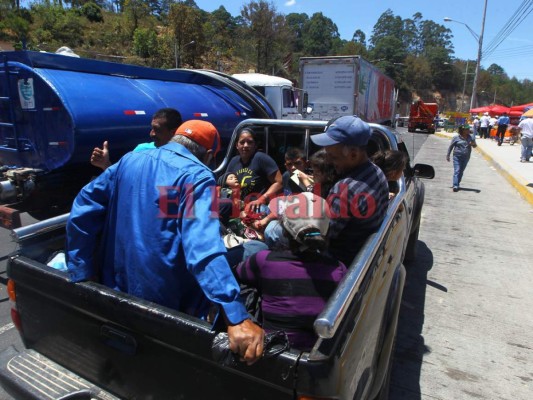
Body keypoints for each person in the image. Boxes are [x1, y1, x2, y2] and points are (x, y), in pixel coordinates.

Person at [67, 119, 264, 365]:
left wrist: (82, 270)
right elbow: (201, 245)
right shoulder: (197, 175)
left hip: (115, 285)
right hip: (167, 302)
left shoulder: (129, 160)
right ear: (211, 155)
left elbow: (83, 208)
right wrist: (235, 316)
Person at [233, 192, 347, 350]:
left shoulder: (264, 261)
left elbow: (236, 274)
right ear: (326, 231)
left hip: (272, 349)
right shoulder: (338, 270)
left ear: (284, 231)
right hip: (315, 351)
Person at [310, 115, 389, 266]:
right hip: (360, 253)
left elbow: (319, 237)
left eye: (333, 157)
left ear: (353, 154)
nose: (328, 161)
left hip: (339, 260)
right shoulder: (376, 172)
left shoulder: (345, 189)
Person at [90, 108, 183, 170]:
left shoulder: (181, 158)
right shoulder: (141, 149)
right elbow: (121, 177)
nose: (151, 133)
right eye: (152, 128)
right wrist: (105, 164)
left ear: (173, 132)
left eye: (157, 129)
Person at [226, 128, 283, 213]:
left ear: (255, 145)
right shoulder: (234, 161)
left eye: (250, 142)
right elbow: (226, 183)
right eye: (242, 142)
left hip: (258, 206)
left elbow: (279, 182)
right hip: (239, 206)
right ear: (237, 145)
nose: (245, 145)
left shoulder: (261, 158)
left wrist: (262, 199)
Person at [446, 125, 477, 192]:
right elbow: (451, 147)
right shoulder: (456, 138)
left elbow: (475, 146)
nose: (468, 130)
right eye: (467, 129)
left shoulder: (471, 137)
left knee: (461, 171)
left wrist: (473, 144)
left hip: (466, 157)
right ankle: (455, 185)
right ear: (462, 130)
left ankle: (457, 183)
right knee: (457, 170)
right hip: (457, 156)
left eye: (469, 129)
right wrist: (448, 155)